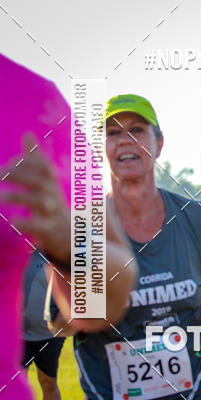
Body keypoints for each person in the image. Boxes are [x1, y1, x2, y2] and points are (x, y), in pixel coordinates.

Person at [49, 94, 201, 399]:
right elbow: (59, 325)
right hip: (113, 391)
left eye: (137, 130)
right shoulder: (82, 227)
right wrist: (88, 305)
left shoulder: (198, 217)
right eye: (113, 133)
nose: (125, 140)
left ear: (159, 143)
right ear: (101, 148)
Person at [0, 133, 138, 399]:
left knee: (48, 382)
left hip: (46, 335)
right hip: (18, 333)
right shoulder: (16, 249)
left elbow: (95, 300)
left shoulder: (57, 245)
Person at [22, 252, 65, 400]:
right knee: (16, 382)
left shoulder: (54, 251)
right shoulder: (13, 250)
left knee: (49, 382)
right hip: (17, 335)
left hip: (50, 335)